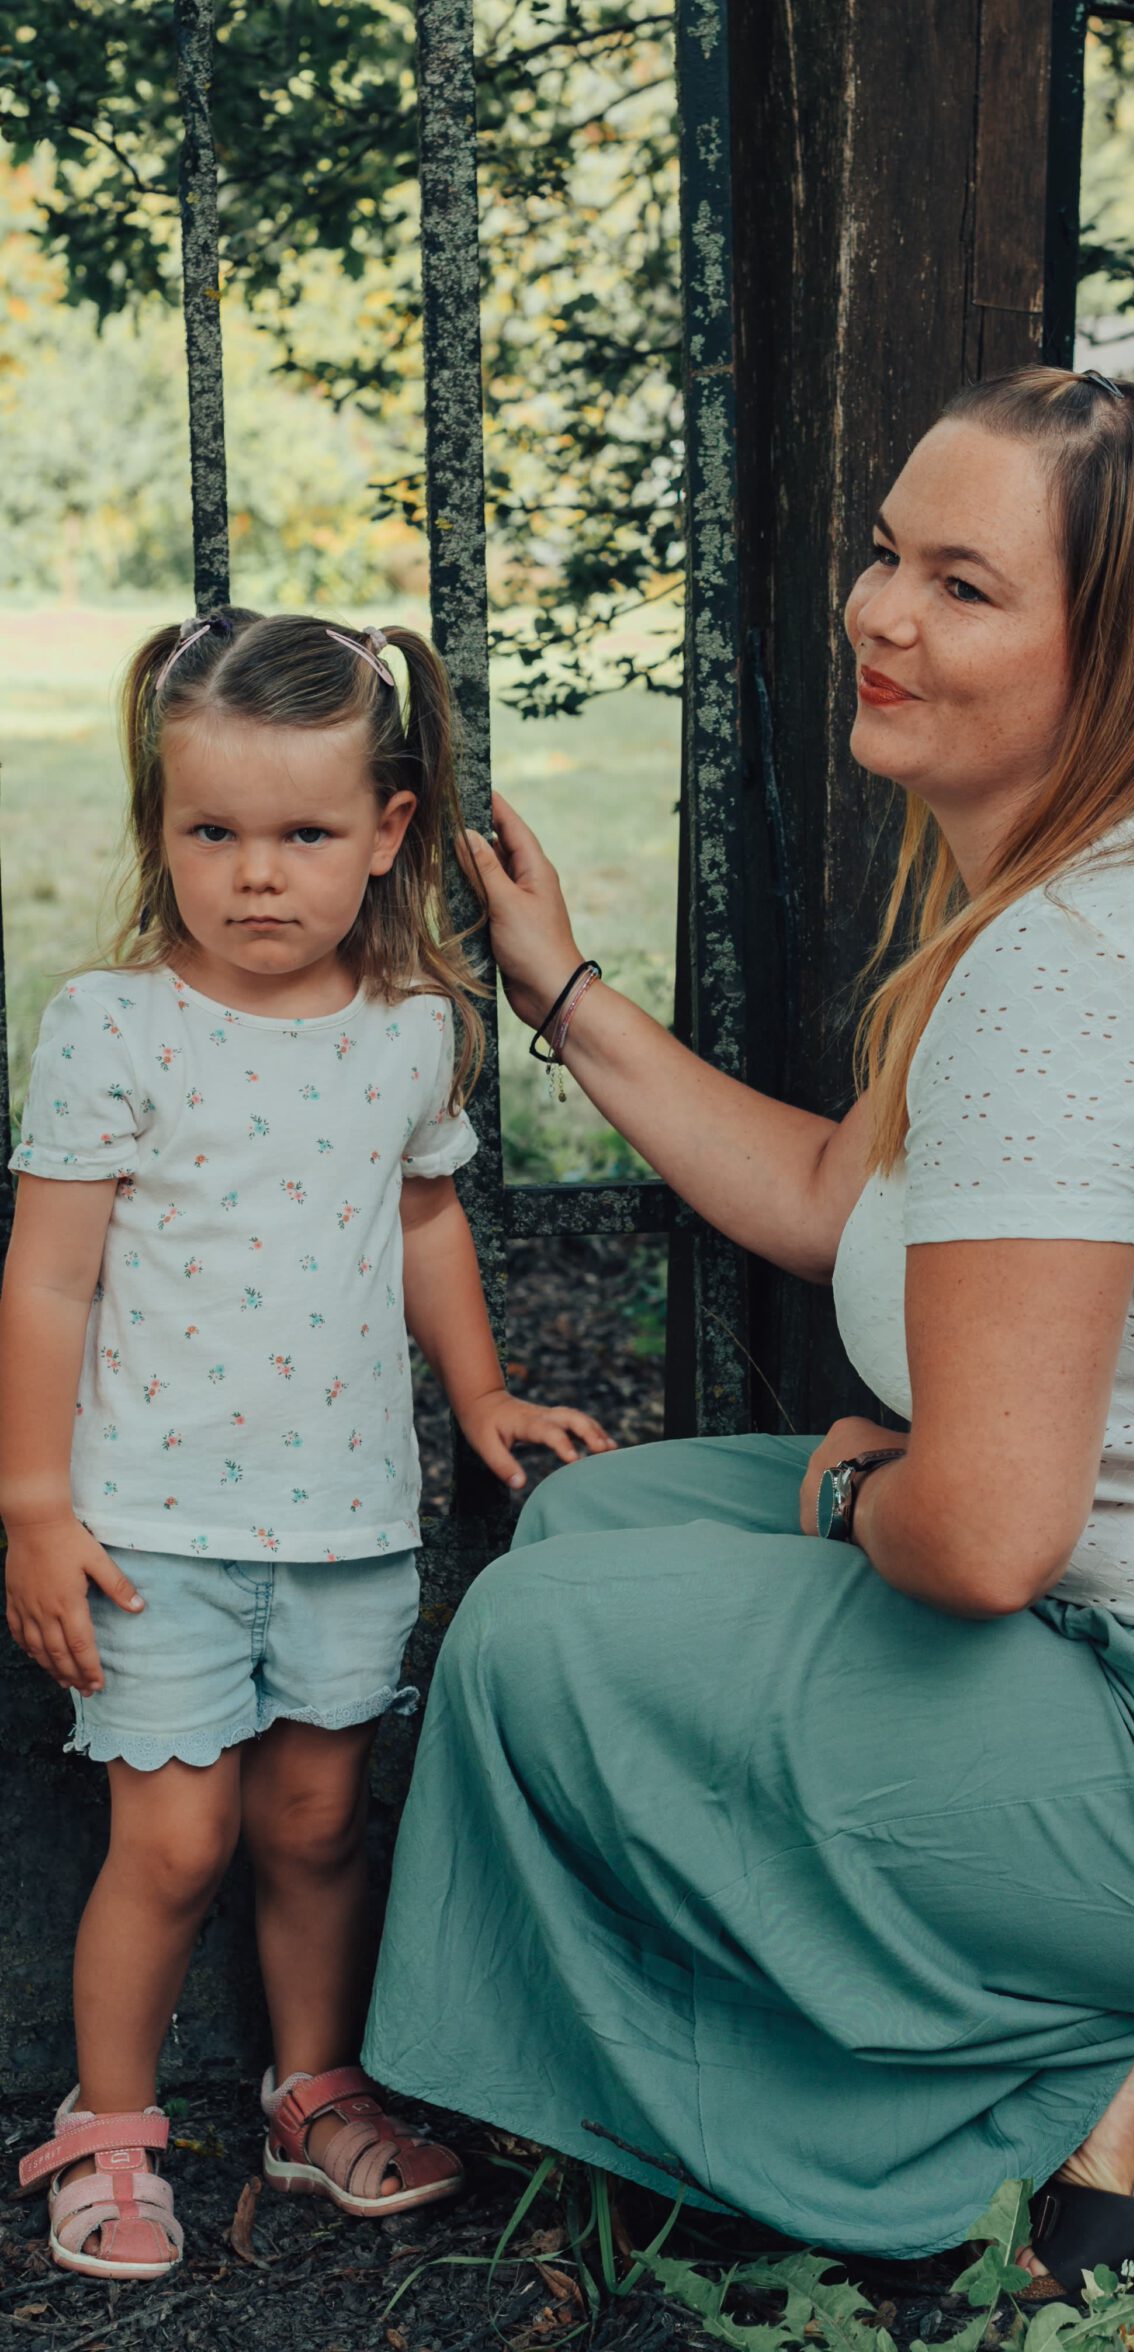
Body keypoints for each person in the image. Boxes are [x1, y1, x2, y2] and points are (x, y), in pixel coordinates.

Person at [364, 370, 1134, 2297]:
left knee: (545, 1637)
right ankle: (1131, 2005)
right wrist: (558, 991)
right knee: (595, 1531)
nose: (880, 613)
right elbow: (839, 1205)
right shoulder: (1119, 885)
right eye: (889, 555)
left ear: (1117, 648)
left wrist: (867, 1496)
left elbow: (979, 1540)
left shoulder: (1074, 971)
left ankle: (1034, 2072)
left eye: (962, 585)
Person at [0, 608, 613, 2283]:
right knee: (176, 1840)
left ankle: (311, 2086)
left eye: (303, 834)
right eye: (212, 832)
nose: (256, 876)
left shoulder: (408, 1028)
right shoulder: (112, 1025)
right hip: (151, 1528)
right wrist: (34, 1506)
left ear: (389, 831)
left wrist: (478, 1395)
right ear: (160, 831)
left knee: (318, 1826)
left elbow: (425, 1226)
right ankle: (109, 2126)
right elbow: (47, 1279)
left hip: (346, 1520)